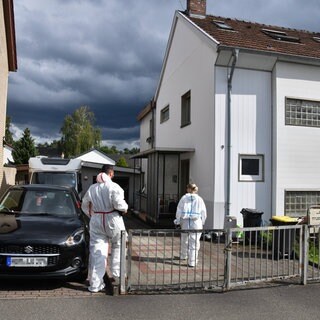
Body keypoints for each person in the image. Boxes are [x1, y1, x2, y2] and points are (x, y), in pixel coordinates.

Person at [81, 164, 128, 293]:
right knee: (119, 244)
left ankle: (95, 284)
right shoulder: (114, 186)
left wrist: (92, 215)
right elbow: (120, 204)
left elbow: (84, 204)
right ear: (111, 173)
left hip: (96, 220)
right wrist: (125, 208)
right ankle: (117, 273)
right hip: (113, 219)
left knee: (97, 251)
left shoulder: (92, 188)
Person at [174, 183, 207, 267]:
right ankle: (192, 262)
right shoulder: (200, 199)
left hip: (185, 221)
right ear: (195, 190)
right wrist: (202, 222)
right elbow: (203, 212)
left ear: (188, 189)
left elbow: (179, 210)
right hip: (196, 222)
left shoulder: (184, 198)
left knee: (184, 238)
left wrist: (177, 220)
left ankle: (183, 255)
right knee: (194, 242)